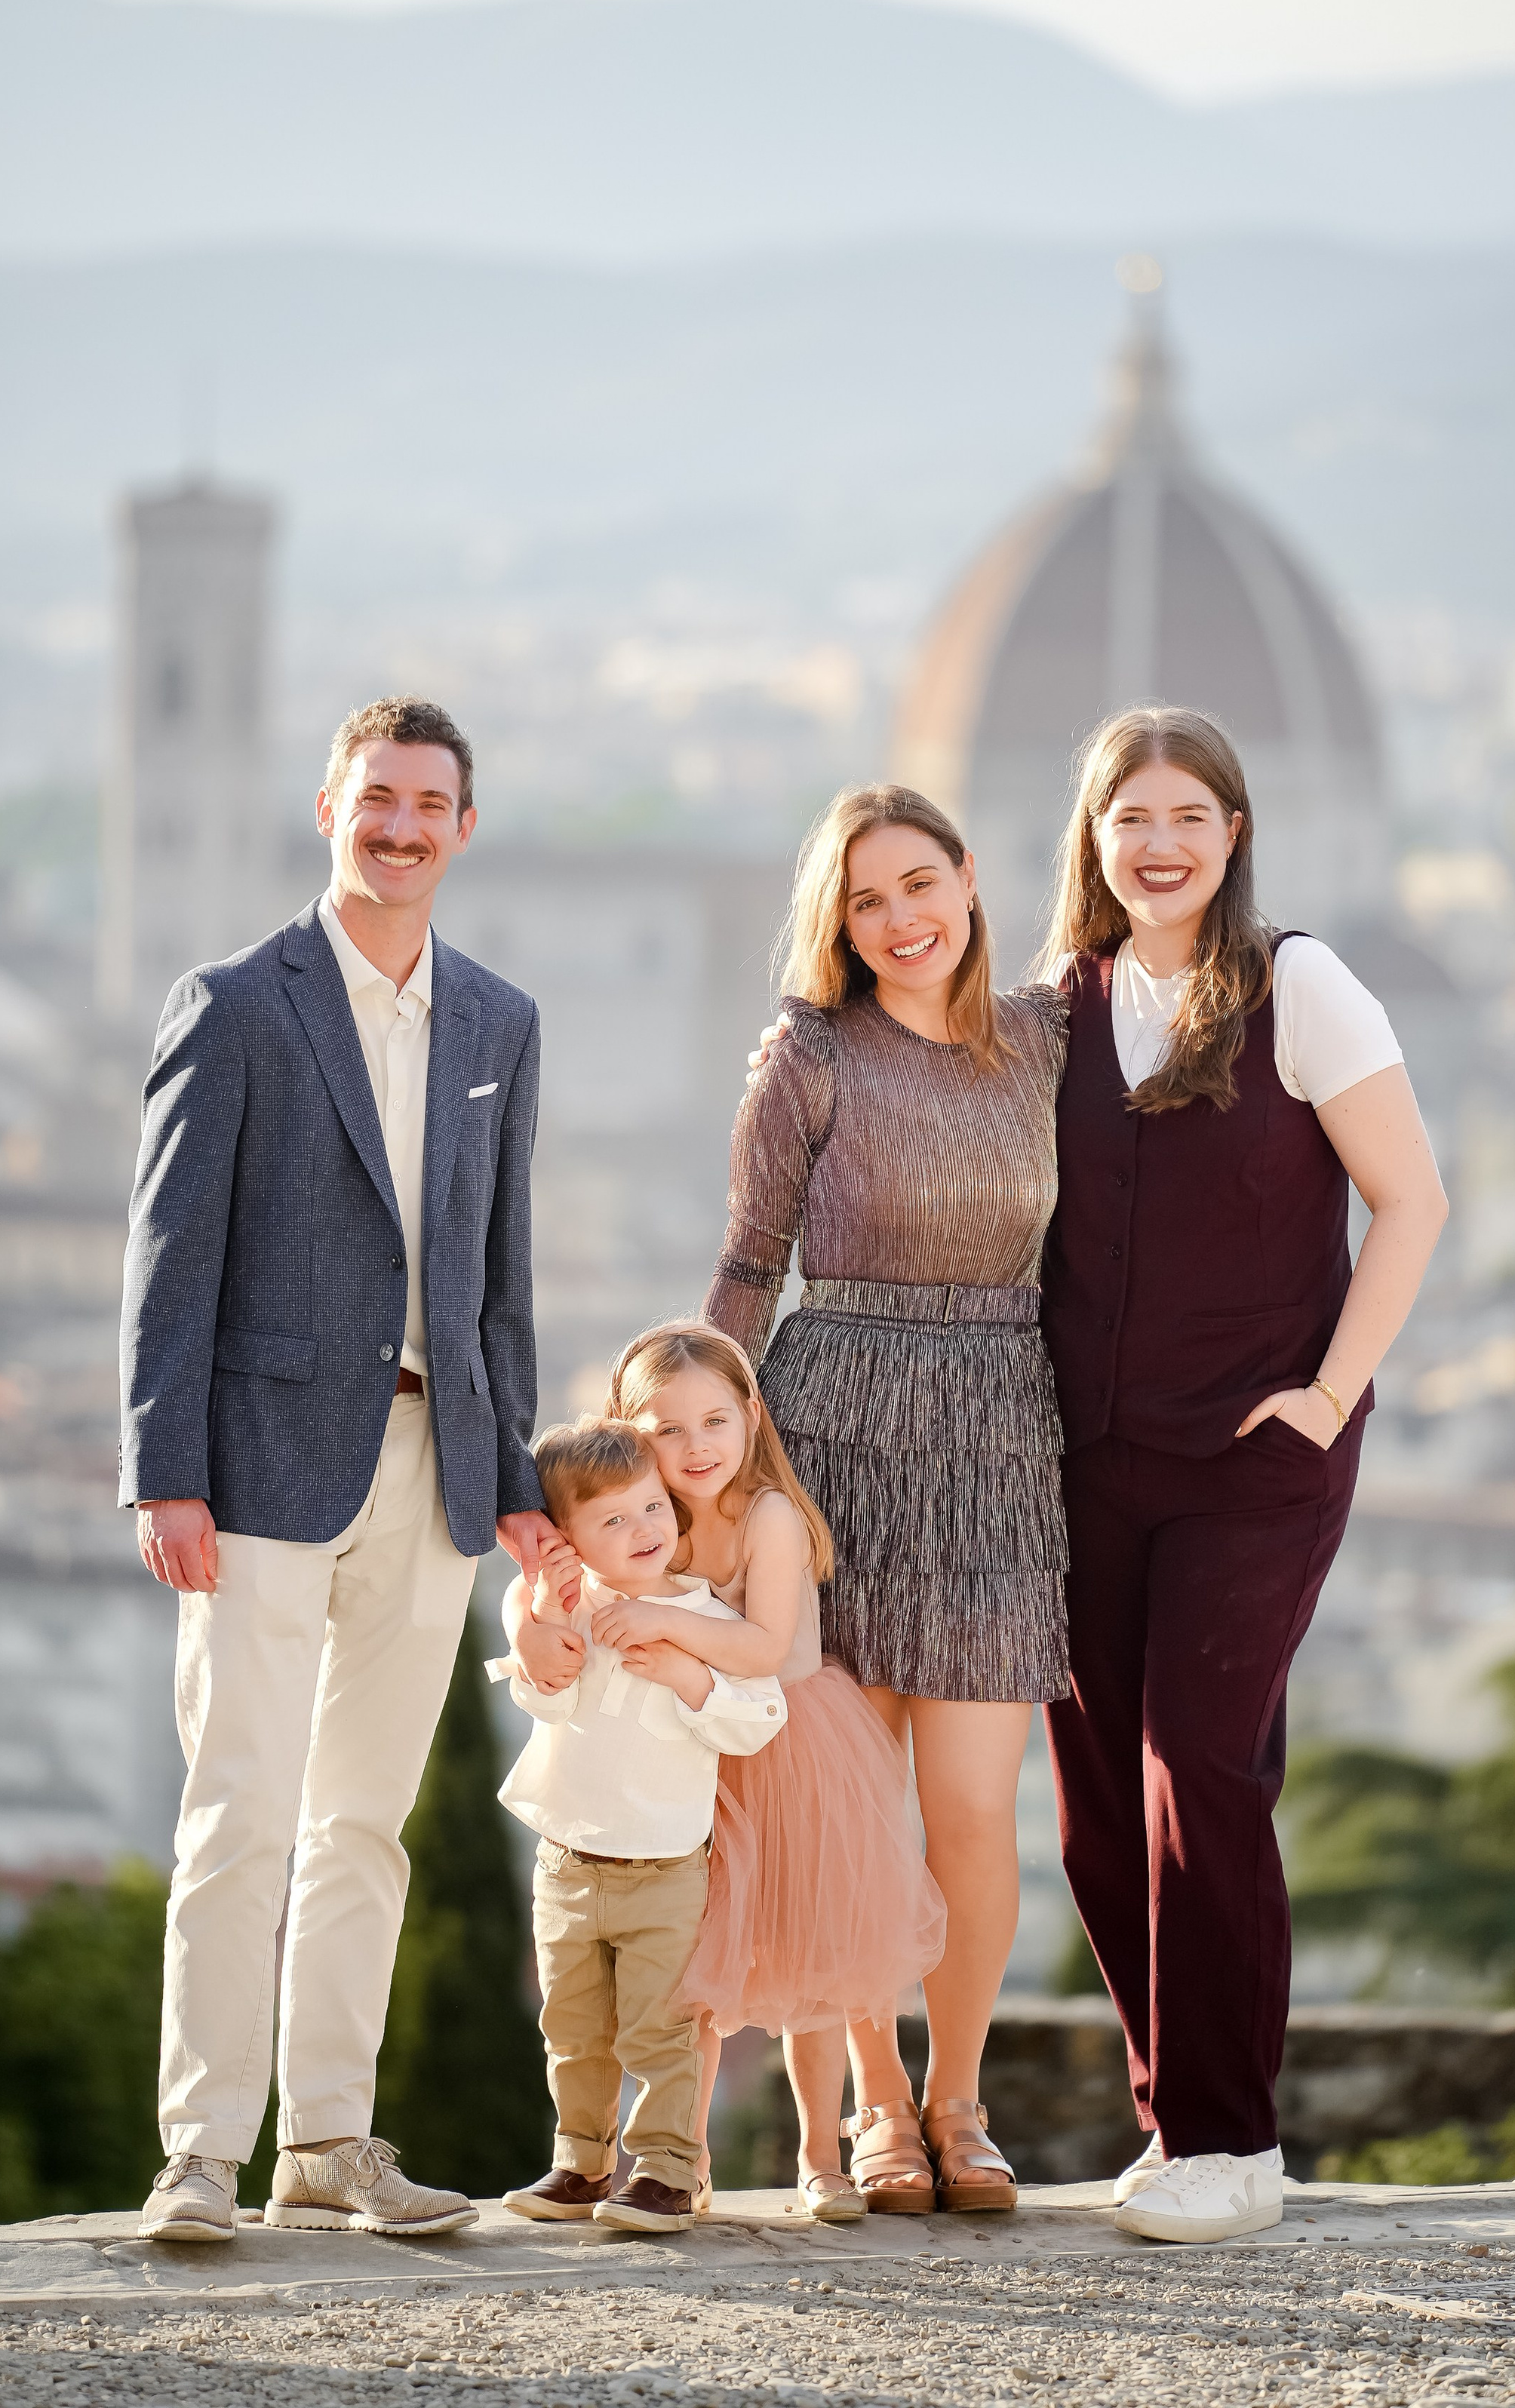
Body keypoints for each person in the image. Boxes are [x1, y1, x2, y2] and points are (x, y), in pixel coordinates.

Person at [123, 694, 553, 2246]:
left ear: (462, 826)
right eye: (377, 798)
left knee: (364, 1822)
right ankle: (197, 2157)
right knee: (239, 1810)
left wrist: (512, 1470)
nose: (400, 826)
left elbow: (498, 1273)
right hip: (252, 1464)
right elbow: (172, 1255)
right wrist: (162, 1467)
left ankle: (326, 2141)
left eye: (429, 803)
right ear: (329, 810)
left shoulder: (500, 1023)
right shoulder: (237, 1001)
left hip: (431, 1467)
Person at [1037, 707, 1449, 2245]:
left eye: (1185, 817)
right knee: (1091, 1805)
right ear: (1090, 840)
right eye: (1126, 816)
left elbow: (1409, 1200)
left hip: (1255, 1459)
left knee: (1199, 1765)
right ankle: (1169, 2123)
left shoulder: (1298, 987)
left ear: (1230, 835)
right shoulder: (1053, 1010)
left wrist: (1329, 1395)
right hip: (1082, 1460)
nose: (1155, 843)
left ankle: (1230, 2141)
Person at [705, 783, 1065, 2213]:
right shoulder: (808, 1051)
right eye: (867, 899)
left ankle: (963, 2102)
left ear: (972, 880)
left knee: (974, 1809)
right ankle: (880, 2111)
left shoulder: (1044, 1042)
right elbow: (747, 1258)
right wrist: (700, 1477)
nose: (902, 918)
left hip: (999, 1441)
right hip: (833, 1434)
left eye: (921, 883)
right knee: (852, 1802)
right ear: (837, 924)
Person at [601, 1319, 947, 2222]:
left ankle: (820, 2154)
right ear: (631, 1436)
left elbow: (760, 1647)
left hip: (793, 1761)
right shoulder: (650, 1527)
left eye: (713, 1421)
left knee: (813, 1971)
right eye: (665, 1431)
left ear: (750, 1417)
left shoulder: (771, 1517)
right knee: (699, 1976)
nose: (693, 1447)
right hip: (699, 1762)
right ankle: (684, 2159)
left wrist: (667, 1626)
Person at [492, 1417, 786, 2234]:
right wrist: (550, 1618)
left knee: (663, 2032)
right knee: (573, 2028)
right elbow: (538, 1697)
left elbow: (758, 1719)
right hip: (567, 1862)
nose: (643, 1530)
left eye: (652, 1507)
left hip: (664, 1868)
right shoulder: (565, 1607)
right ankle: (581, 2162)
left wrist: (689, 1673)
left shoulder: (704, 1614)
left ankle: (663, 2169)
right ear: (568, 1539)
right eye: (612, 1521)